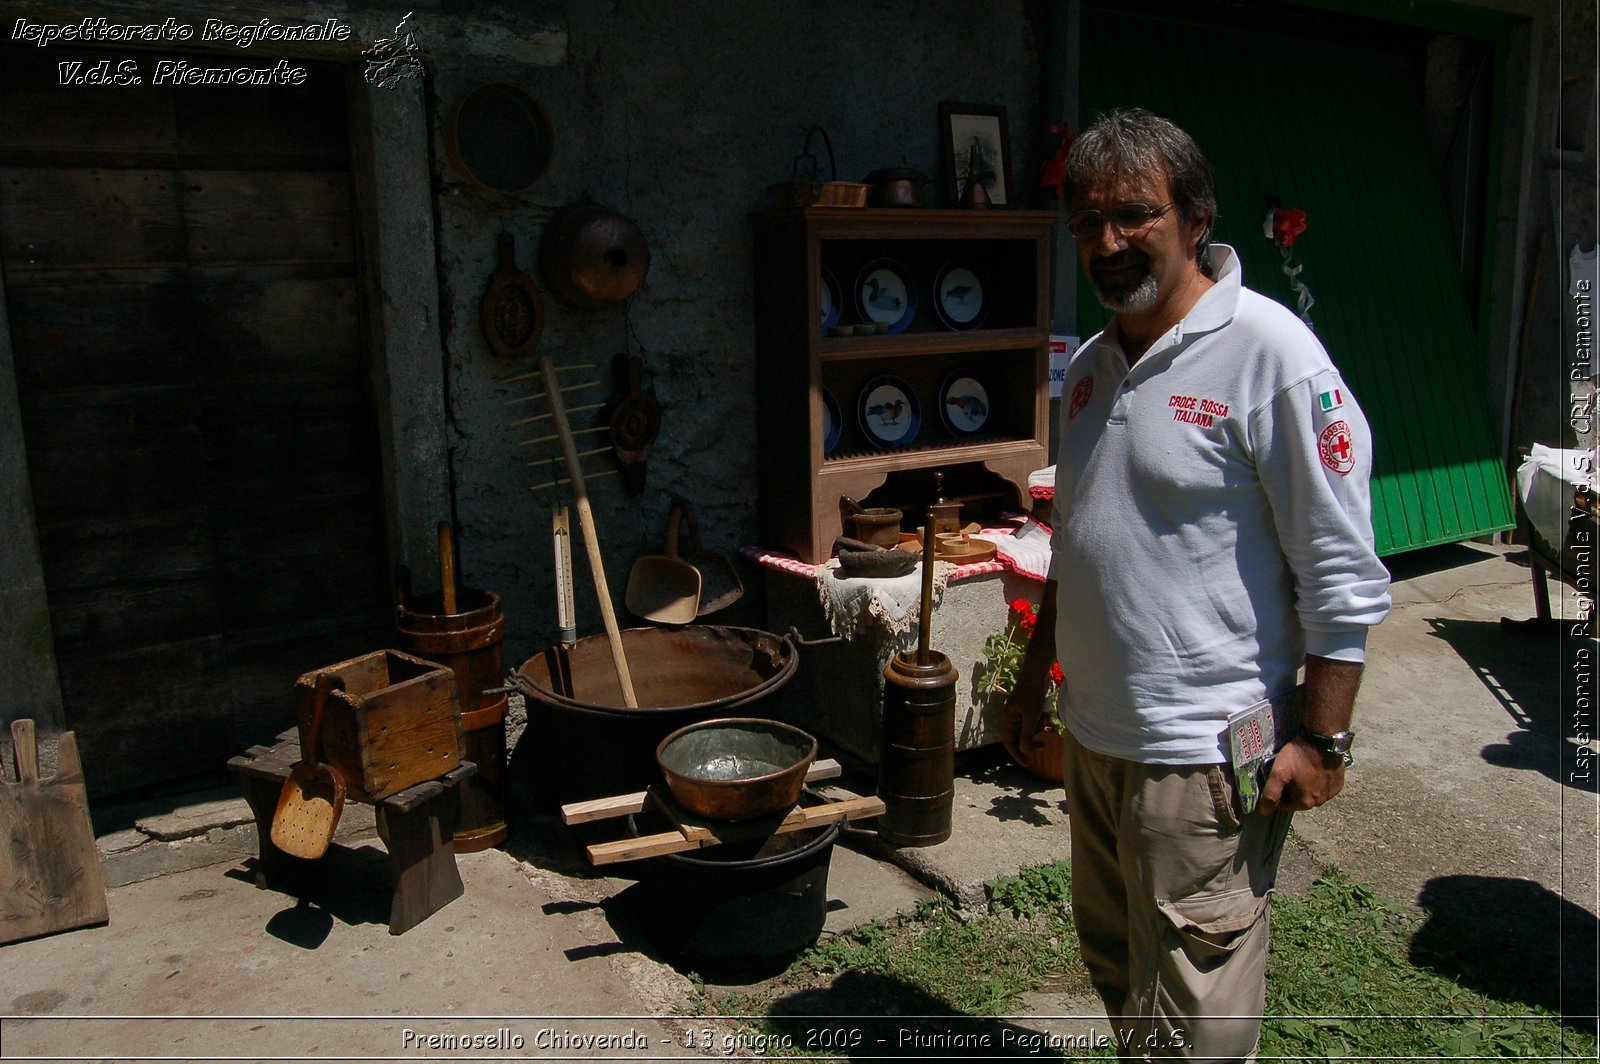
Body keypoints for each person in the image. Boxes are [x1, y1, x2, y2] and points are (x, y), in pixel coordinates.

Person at [1004, 108, 1392, 1061]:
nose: (1108, 241)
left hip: (1206, 751)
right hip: (1098, 735)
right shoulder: (1094, 368)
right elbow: (1080, 536)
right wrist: (1032, 675)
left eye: (1134, 215)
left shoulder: (1273, 356)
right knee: (1116, 960)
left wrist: (1325, 737)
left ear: (1195, 217)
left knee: (1196, 997)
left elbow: (1340, 572)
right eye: (1087, 221)